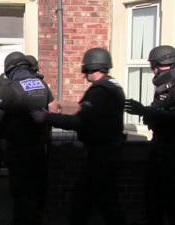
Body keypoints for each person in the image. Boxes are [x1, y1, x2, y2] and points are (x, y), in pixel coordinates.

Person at [32, 47, 127, 225]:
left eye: (86, 70)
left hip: (101, 154)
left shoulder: (99, 91)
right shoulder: (114, 86)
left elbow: (79, 122)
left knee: (98, 202)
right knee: (91, 200)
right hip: (110, 150)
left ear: (92, 67)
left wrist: (46, 117)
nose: (84, 75)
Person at [0, 51, 54, 225]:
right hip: (39, 146)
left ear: (10, 68)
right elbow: (53, 109)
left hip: (18, 148)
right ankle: (40, 217)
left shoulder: (9, 87)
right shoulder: (42, 84)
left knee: (21, 191)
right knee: (38, 187)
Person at [125, 45, 175, 225]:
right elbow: (159, 112)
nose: (152, 69)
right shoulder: (164, 86)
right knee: (153, 195)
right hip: (159, 145)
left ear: (159, 64)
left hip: (173, 149)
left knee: (174, 200)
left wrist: (144, 110)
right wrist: (148, 113)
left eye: (153, 65)